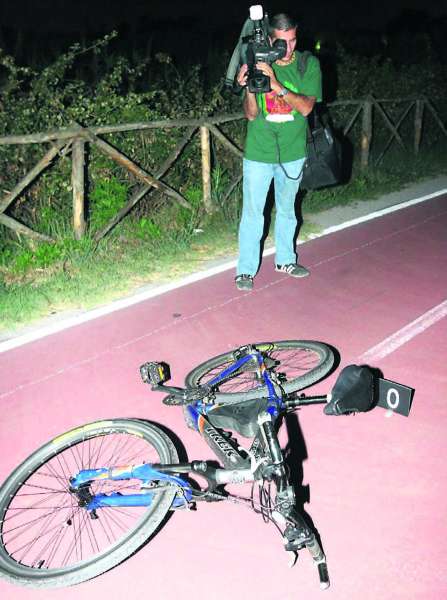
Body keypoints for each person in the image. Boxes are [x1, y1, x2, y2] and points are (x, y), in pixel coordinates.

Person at [235, 13, 322, 291]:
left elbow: (307, 107)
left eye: (293, 40)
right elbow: (250, 115)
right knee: (253, 213)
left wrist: (276, 85)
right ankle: (245, 271)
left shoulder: (308, 64)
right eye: (282, 43)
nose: (289, 48)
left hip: (293, 152)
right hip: (258, 154)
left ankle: (285, 259)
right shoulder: (258, 62)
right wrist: (250, 86)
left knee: (287, 210)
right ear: (270, 40)